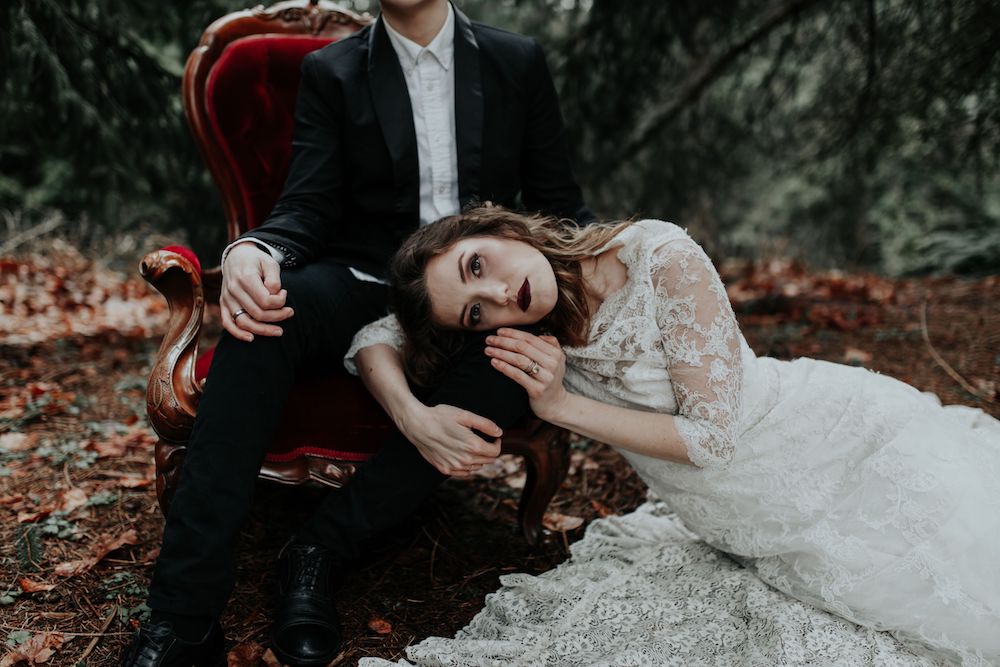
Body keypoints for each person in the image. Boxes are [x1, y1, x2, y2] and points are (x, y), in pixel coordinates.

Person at [122, 0, 593, 664]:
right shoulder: (333, 70)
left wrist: (603, 289)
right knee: (263, 320)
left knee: (511, 367)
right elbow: (306, 205)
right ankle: (183, 615)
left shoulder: (517, 61)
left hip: (475, 301)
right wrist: (253, 250)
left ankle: (316, 553)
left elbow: (558, 202)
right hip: (361, 278)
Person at [346, 207, 1000, 665]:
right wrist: (410, 411)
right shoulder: (526, 330)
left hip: (836, 451)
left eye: (478, 264)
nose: (496, 292)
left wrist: (558, 403)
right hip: (740, 517)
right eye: (475, 310)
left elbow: (715, 437)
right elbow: (374, 335)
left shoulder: (658, 256)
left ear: (497, 226)